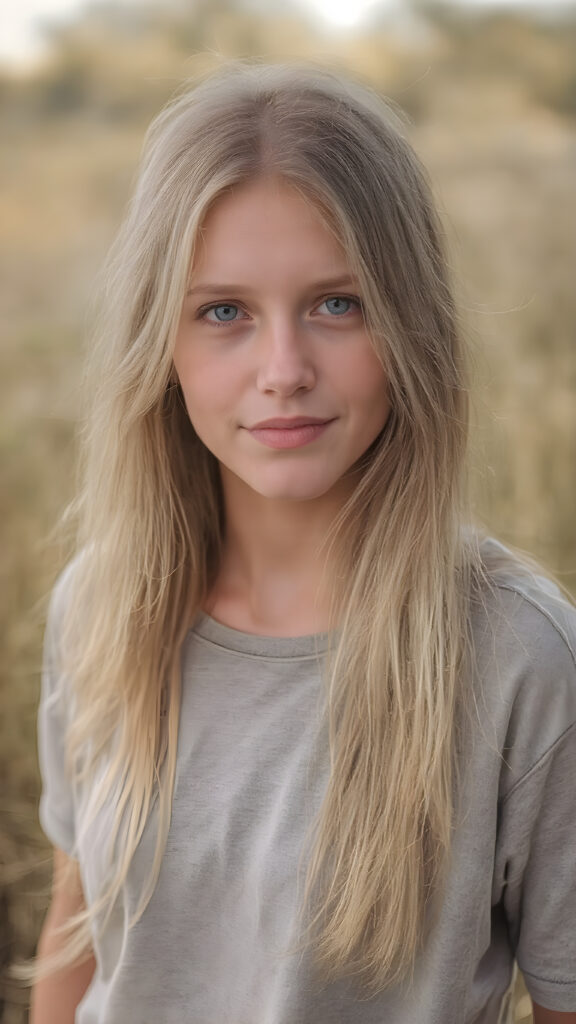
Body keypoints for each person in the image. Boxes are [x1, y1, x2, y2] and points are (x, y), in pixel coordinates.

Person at [24, 61, 576, 1023]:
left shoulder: (521, 659)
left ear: (411, 323)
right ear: (162, 342)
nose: (284, 371)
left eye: (337, 304)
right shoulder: (102, 603)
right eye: (224, 312)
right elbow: (77, 949)